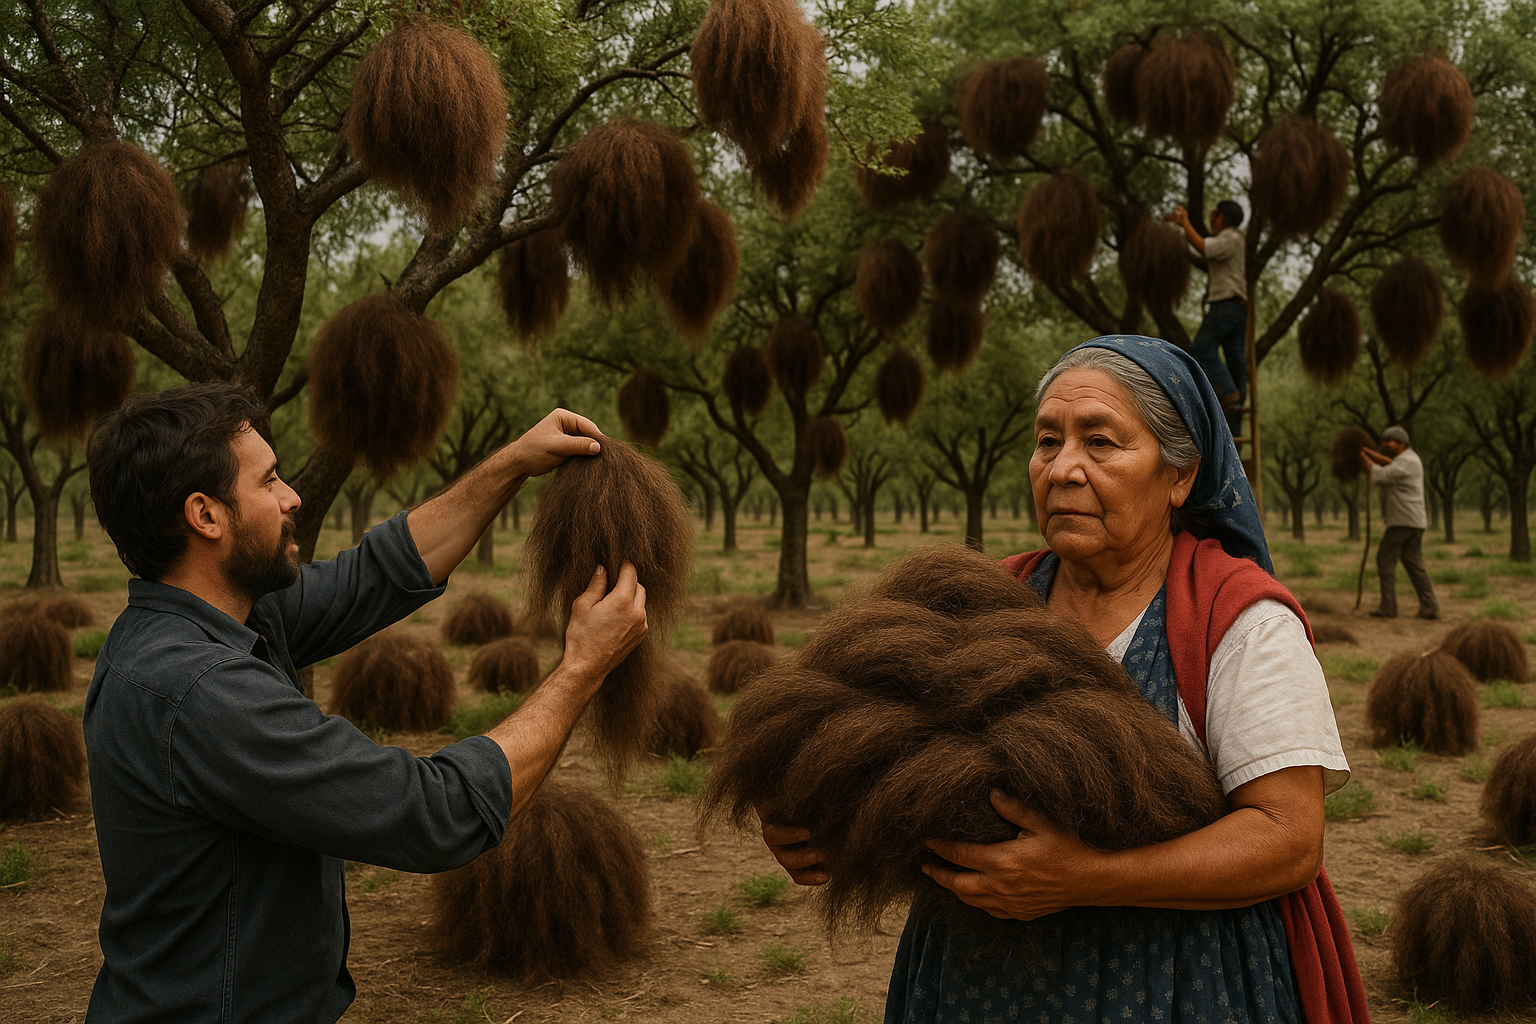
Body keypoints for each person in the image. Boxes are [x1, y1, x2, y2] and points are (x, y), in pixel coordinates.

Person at [762, 336, 1367, 1024]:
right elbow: (880, 757)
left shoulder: (1238, 622)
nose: (1063, 469)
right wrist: (816, 814)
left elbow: (1288, 841)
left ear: (1180, 476)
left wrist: (1089, 879)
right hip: (973, 985)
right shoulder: (977, 600)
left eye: (1101, 443)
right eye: (1048, 442)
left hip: (1173, 984)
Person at [82, 383, 649, 1023]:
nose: (293, 495)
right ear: (205, 515)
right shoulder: (200, 691)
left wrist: (513, 461)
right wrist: (581, 668)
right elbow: (433, 813)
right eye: (268, 481)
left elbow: (375, 574)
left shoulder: (223, 618)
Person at [1169, 200, 1248, 436]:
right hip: (1237, 309)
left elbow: (1204, 247)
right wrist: (1179, 231)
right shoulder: (1230, 241)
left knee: (1202, 350)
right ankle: (1234, 429)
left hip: (1225, 306)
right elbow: (1196, 249)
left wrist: (1185, 222)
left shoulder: (1231, 237)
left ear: (1222, 216)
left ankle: (1227, 393)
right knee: (1236, 364)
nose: (1211, 218)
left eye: (1213, 214)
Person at [1362, 425, 1437, 619]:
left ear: (1401, 443)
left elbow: (1382, 474)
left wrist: (1362, 459)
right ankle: (1429, 607)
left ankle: (1389, 607)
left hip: (1403, 521)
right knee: (1413, 562)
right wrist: (1368, 452)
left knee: (1385, 559)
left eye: (1389, 441)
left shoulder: (1408, 462)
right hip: (1412, 520)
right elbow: (1387, 464)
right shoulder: (1406, 460)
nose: (1384, 444)